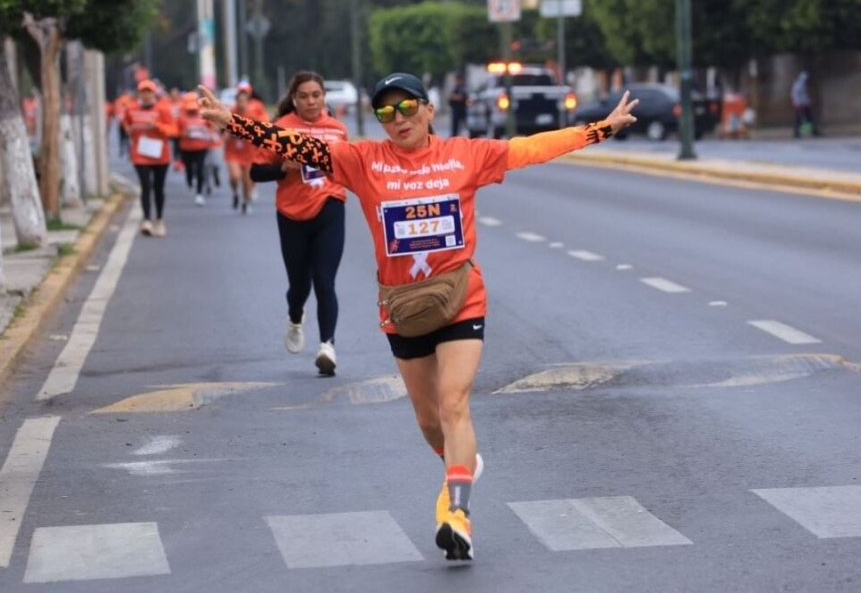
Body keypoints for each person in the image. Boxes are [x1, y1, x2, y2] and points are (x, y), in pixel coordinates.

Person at [198, 72, 637, 561]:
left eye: (407, 108)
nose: (398, 119)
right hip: (403, 308)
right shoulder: (362, 161)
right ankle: (461, 462)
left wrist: (601, 128)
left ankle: (458, 513)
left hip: (460, 297)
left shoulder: (465, 155)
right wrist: (233, 123)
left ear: (429, 110)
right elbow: (293, 144)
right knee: (430, 423)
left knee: (454, 404)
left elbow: (531, 147)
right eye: (386, 112)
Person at [250, 71, 349, 376]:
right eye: (304, 96)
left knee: (324, 280)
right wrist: (283, 168)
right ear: (294, 99)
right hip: (292, 214)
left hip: (330, 206)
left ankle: (327, 346)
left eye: (316, 95)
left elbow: (349, 168)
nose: (310, 101)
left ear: (324, 97)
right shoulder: (280, 130)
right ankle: (295, 316)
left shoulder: (337, 131)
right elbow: (256, 173)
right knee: (299, 285)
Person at [122, 79, 177, 236]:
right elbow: (126, 122)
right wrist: (128, 129)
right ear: (139, 93)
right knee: (145, 186)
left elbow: (174, 130)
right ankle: (146, 219)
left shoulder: (163, 109)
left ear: (154, 94)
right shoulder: (131, 109)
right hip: (140, 154)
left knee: (158, 188)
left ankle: (159, 219)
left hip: (160, 155)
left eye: (149, 92)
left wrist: (157, 126)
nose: (146, 95)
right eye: (143, 92)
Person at [222, 84, 269, 214]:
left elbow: (260, 131)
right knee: (235, 177)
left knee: (247, 181)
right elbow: (225, 130)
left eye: (244, 101)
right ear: (236, 101)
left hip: (249, 153)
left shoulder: (253, 114)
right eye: (239, 100)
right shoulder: (231, 113)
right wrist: (226, 136)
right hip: (233, 151)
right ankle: (235, 193)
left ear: (248, 101)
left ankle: (246, 201)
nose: (242, 103)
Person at [177, 92, 219, 206]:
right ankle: (190, 182)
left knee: (200, 169)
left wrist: (210, 136)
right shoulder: (181, 116)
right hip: (186, 147)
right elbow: (176, 131)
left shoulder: (204, 114)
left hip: (201, 147)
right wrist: (182, 133)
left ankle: (199, 193)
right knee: (189, 169)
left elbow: (211, 127)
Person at [790, 71, 820, 138]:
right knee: (800, 120)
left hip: (805, 104)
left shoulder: (803, 85)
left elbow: (804, 96)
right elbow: (795, 95)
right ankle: (797, 133)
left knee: (808, 119)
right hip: (800, 105)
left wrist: (809, 101)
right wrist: (798, 103)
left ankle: (812, 131)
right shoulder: (798, 85)